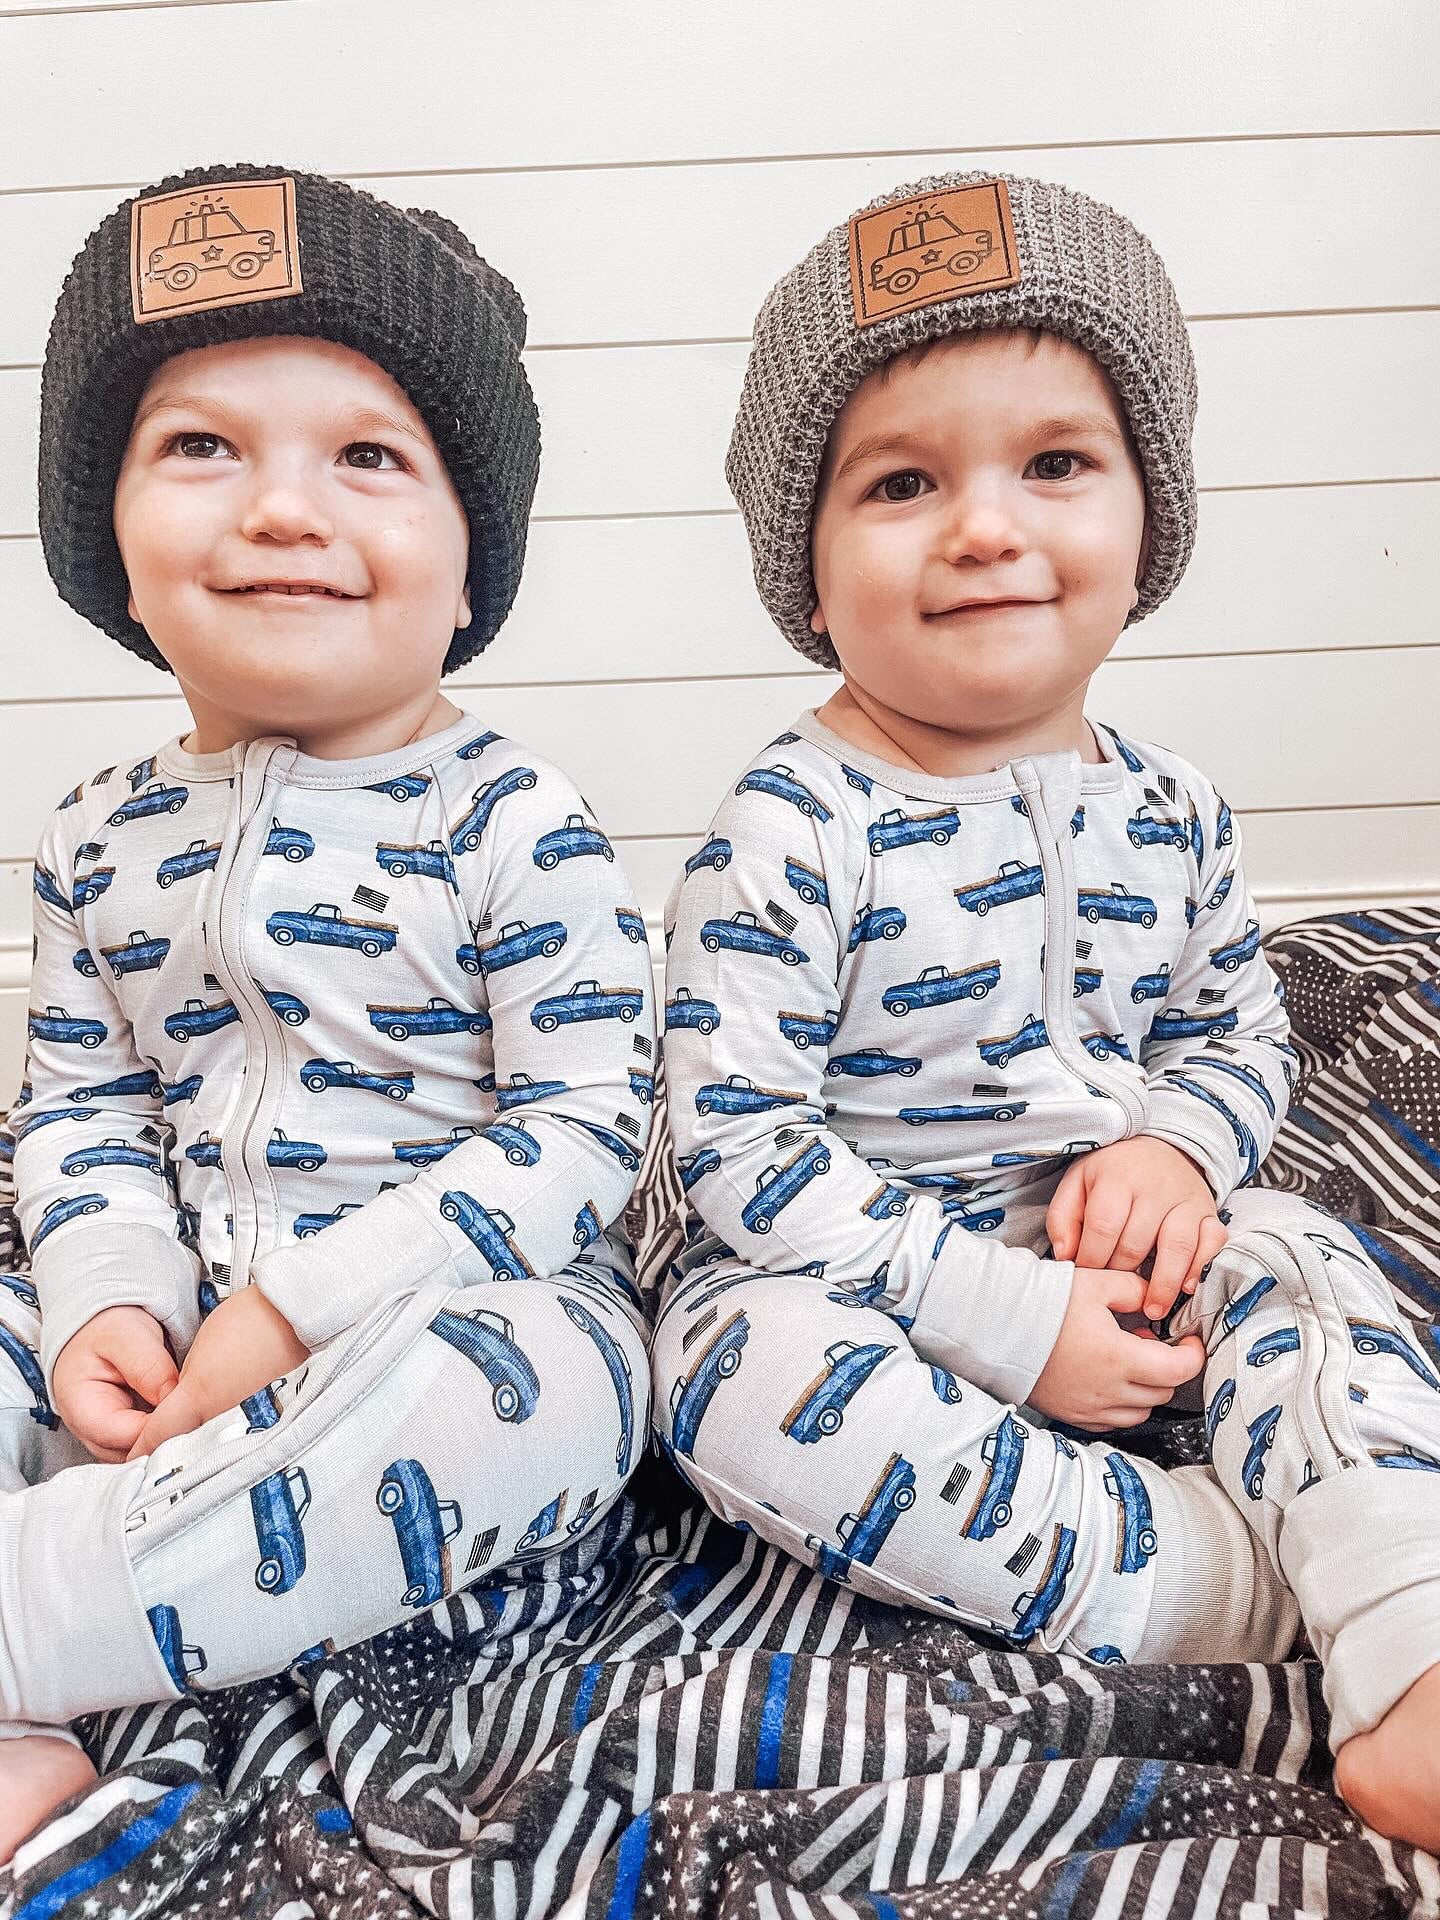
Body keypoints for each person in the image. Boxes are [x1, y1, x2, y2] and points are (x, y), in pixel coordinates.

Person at [652, 170, 1440, 1851]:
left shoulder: (1175, 807)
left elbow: (1239, 1031)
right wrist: (1004, 1321)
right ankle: (1210, 1579)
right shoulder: (791, 824)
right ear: (805, 574)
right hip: (867, 1280)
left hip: (1131, 1263)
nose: (987, 529)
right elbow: (733, 1145)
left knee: (1312, 1262)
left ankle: (1409, 1632)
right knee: (724, 1371)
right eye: (903, 483)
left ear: (1151, 521)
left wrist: (1182, 1150)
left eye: (1058, 465)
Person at [0, 161, 654, 1860]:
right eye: (200, 446)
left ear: (472, 566)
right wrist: (103, 1303)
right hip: (168, 1337)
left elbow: (591, 1123)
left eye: (368, 457)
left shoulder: (513, 818)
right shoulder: (93, 836)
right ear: (105, 542)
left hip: (440, 1325)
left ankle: (33, 1629)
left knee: (555, 1382)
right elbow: (78, 1113)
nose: (284, 509)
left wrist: (296, 1317)